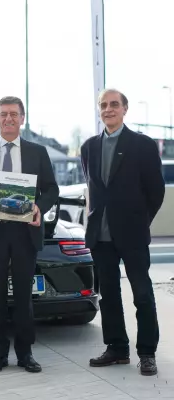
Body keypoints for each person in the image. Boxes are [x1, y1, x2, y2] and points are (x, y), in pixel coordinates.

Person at [0, 96, 59, 373]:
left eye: (14, 114)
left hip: (26, 232)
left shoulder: (38, 152)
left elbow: (52, 189)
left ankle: (25, 353)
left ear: (22, 119)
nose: (8, 119)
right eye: (3, 114)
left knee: (24, 296)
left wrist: (39, 206)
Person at [81, 88, 165, 376]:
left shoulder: (142, 145)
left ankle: (147, 353)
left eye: (114, 104)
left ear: (124, 109)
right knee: (109, 296)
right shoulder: (88, 147)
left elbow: (156, 191)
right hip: (100, 236)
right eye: (103, 105)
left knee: (142, 294)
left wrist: (140, 221)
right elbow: (94, 189)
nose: (108, 109)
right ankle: (117, 348)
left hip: (132, 234)